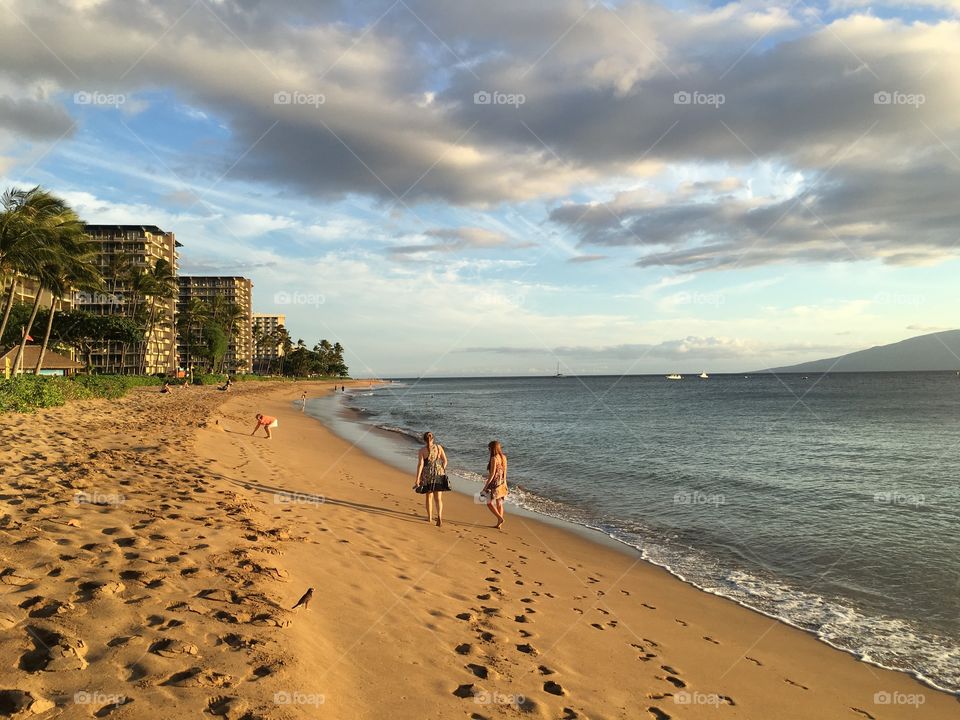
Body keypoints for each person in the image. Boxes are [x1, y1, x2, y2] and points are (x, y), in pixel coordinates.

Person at [415, 431, 449, 527]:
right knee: (438, 498)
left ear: (424, 440)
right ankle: (439, 517)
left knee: (428, 497)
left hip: (427, 475)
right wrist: (442, 468)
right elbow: (445, 461)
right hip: (439, 474)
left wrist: (417, 478)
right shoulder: (439, 448)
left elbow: (420, 465)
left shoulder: (422, 451)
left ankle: (429, 517)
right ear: (433, 439)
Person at [482, 440, 508, 530]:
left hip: (494, 484)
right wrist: (505, 483)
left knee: (489, 503)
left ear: (492, 449)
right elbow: (505, 472)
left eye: (489, 448)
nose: (488, 450)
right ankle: (499, 524)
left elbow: (492, 474)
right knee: (499, 504)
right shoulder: (504, 457)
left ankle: (500, 518)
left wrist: (485, 487)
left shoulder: (494, 458)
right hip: (502, 483)